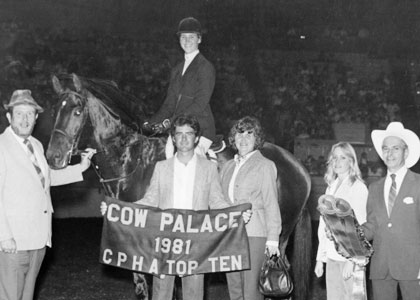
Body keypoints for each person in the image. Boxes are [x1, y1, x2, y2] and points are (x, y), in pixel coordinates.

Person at [102, 114, 247, 300]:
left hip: (195, 242)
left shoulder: (209, 168)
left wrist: (236, 213)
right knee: (161, 293)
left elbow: (217, 201)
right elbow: (150, 200)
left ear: (196, 138)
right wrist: (117, 209)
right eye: (179, 134)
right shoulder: (161, 167)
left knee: (194, 294)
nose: (184, 138)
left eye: (189, 134)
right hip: (165, 241)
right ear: (173, 138)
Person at [0, 89, 96, 300]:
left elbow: (45, 178)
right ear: (9, 117)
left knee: (26, 296)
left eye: (29, 114)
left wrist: (80, 168)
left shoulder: (35, 145)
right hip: (13, 243)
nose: (25, 120)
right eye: (19, 114)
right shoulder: (1, 147)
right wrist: (4, 236)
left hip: (38, 238)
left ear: (36, 117)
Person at [219, 116, 282, 300]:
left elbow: (271, 202)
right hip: (230, 234)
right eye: (240, 134)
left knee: (251, 290)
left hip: (254, 235)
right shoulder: (228, 166)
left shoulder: (265, 165)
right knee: (234, 289)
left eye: (249, 134)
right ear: (234, 138)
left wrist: (273, 240)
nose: (244, 139)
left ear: (257, 139)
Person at [142, 17, 216, 158]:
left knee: (178, 153)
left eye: (191, 37)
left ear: (199, 39)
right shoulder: (176, 69)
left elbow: (200, 103)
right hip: (178, 126)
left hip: (200, 127)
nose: (187, 41)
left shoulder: (205, 67)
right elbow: (169, 103)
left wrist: (172, 121)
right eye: (183, 37)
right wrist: (150, 123)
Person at [361, 122, 420, 300]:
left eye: (396, 148)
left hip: (413, 266)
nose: (390, 153)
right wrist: (349, 232)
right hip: (381, 266)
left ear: (406, 152)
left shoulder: (418, 183)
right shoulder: (374, 188)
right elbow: (372, 226)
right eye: (386, 148)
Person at [314, 142, 368, 300]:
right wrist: (319, 259)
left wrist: (353, 260)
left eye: (342, 158)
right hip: (331, 256)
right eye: (334, 158)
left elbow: (361, 226)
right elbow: (323, 226)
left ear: (351, 161)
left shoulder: (358, 188)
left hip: (349, 258)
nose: (337, 162)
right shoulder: (330, 187)